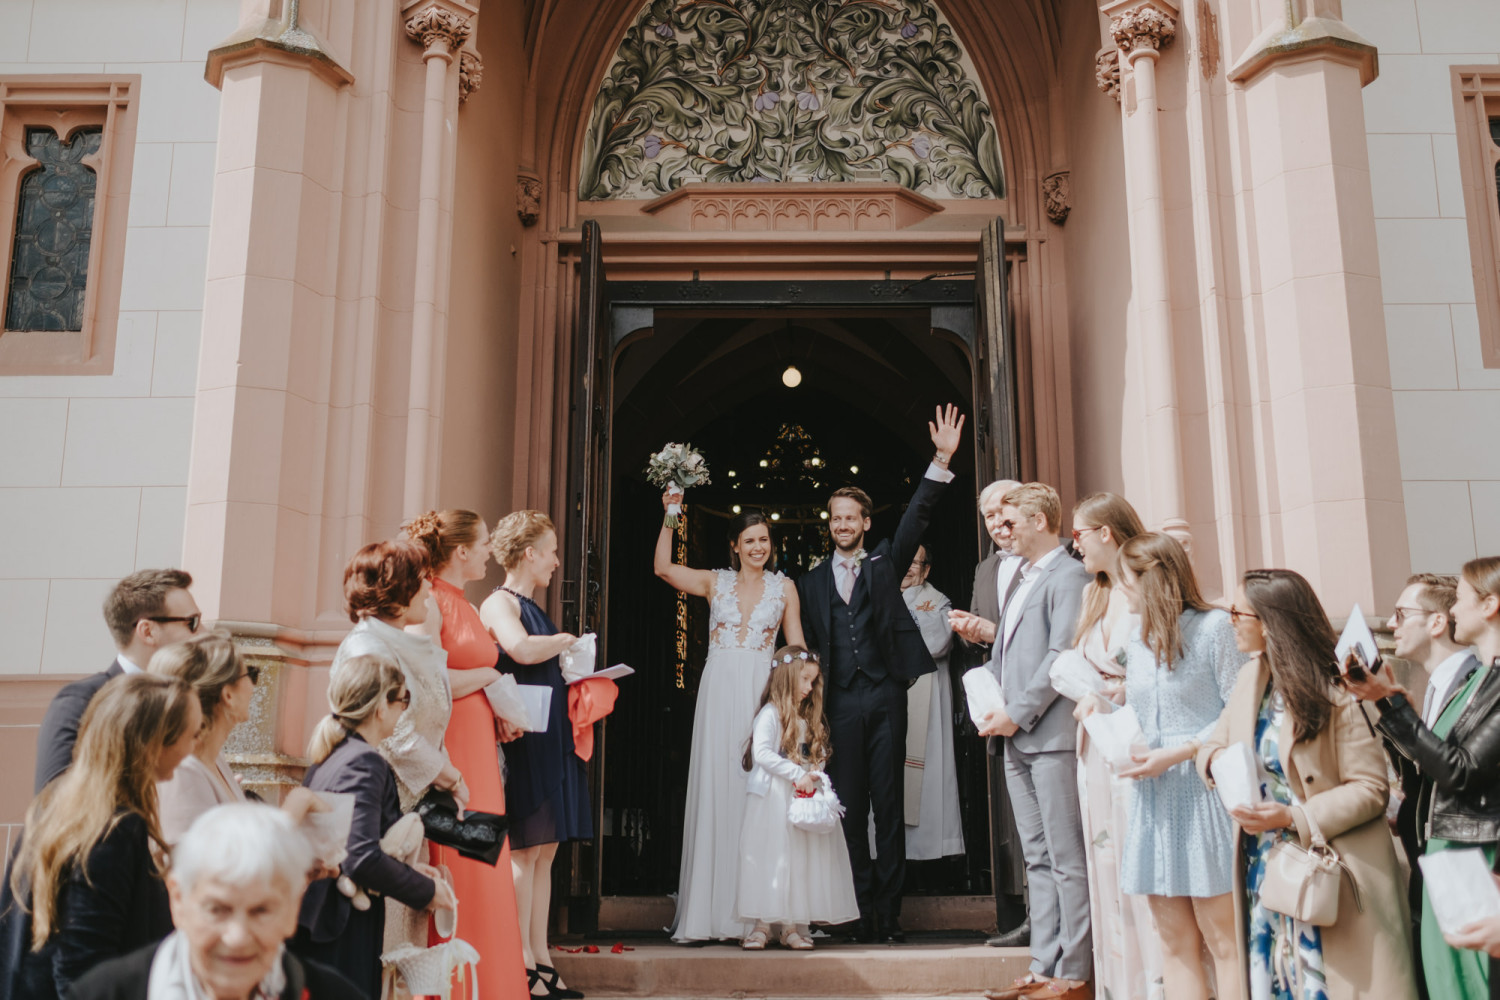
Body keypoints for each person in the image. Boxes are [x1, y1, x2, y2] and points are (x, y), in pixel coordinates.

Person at [1200, 568, 1417, 1000]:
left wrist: (1294, 815)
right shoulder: (1251, 678)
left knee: (1324, 982)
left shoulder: (1336, 687)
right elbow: (1213, 742)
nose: (1230, 621)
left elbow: (1371, 788)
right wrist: (1217, 764)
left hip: (1327, 867)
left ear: (1269, 620)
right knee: (1277, 982)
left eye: (1237, 612)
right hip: (1264, 864)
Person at [797, 403, 964, 944]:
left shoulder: (884, 563)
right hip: (839, 702)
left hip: (887, 695)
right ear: (830, 525)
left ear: (866, 523)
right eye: (836, 517)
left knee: (888, 807)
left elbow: (916, 515)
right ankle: (855, 909)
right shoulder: (813, 580)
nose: (843, 524)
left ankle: (889, 916)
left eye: (852, 517)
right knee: (848, 807)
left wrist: (941, 459)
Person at [1344, 556, 1500, 1000]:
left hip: (1471, 850)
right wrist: (1386, 703)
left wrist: (1390, 706)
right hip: (1445, 850)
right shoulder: (1482, 681)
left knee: (1469, 985)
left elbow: (1460, 770)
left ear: (1489, 605)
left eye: (1463, 601)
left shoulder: (1487, 681)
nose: (1453, 612)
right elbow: (1430, 772)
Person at [654, 505, 805, 943]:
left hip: (763, 692)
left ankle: (767, 913)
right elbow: (662, 568)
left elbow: (795, 647)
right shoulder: (713, 581)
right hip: (719, 693)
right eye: (750, 540)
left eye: (764, 540)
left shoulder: (785, 588)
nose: (758, 547)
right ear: (735, 546)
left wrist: (796, 702)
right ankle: (715, 912)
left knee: (761, 795)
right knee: (720, 788)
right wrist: (670, 513)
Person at [1, 673, 201, 1000]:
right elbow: (83, 970)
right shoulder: (114, 829)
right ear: (154, 742)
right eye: (191, 734)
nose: (194, 746)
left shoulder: (56, 803)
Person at [1107, 532, 1241, 1000]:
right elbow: (1150, 715)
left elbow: (1239, 711)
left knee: (1224, 939)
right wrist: (1135, 742)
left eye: (1124, 580)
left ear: (1151, 580)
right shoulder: (1137, 641)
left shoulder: (1214, 628)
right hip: (1154, 798)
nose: (1119, 588)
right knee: (1174, 942)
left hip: (1204, 793)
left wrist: (1180, 751)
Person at [974, 483, 1091, 1000]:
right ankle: (1043, 964)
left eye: (1012, 519)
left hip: (1049, 734)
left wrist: (1016, 714)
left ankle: (1076, 972)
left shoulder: (1068, 574)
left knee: (1067, 858)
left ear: (1040, 520)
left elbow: (1060, 656)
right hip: (1016, 736)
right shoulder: (1022, 575)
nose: (1004, 528)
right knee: (1037, 858)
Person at [406, 509, 529, 1000]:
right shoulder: (430, 603)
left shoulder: (466, 604)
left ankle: (492, 984)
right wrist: (490, 678)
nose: (487, 553)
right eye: (481, 545)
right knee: (462, 863)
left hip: (480, 747)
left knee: (485, 864)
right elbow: (426, 683)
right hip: (452, 752)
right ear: (460, 552)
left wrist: (498, 711)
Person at [1045, 493, 1160, 1000]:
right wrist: (1087, 687)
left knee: (1140, 859)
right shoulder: (1096, 592)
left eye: (1080, 535)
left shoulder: (1150, 587)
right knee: (1105, 861)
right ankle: (1118, 985)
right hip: (1098, 744)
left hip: (1140, 737)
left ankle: (1155, 982)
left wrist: (1119, 692)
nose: (1076, 545)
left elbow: (1172, 663)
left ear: (1107, 534)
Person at [69, 802, 363, 1000]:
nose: (237, 937)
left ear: (292, 910)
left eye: (261, 910)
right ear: (178, 901)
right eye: (217, 910)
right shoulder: (102, 994)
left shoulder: (336, 995)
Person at [331, 538, 463, 961]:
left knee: (407, 940)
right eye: (422, 580)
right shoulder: (367, 646)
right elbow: (395, 732)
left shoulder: (400, 639)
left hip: (410, 806)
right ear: (401, 592)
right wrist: (451, 777)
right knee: (386, 941)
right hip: (381, 807)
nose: (430, 589)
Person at [294, 653, 455, 997]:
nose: (403, 710)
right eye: (402, 700)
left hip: (323, 917)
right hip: (340, 924)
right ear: (382, 706)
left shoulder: (334, 755)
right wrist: (427, 892)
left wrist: (416, 871)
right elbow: (361, 856)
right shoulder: (364, 762)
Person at [479, 511, 589, 999]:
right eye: (551, 550)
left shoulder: (533, 605)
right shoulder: (501, 603)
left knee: (546, 853)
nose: (556, 560)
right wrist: (566, 641)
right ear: (529, 554)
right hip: (522, 735)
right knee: (524, 850)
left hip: (551, 733)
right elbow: (520, 651)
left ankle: (541, 956)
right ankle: (520, 963)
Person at [33, 568, 201, 793]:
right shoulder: (82, 700)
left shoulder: (188, 703)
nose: (202, 633)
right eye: (192, 623)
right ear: (148, 631)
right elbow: (54, 798)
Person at [735, 646, 859, 949]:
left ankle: (791, 926)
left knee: (796, 860)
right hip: (770, 798)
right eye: (804, 679)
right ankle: (762, 925)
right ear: (787, 676)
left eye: (812, 682)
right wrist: (795, 773)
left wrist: (815, 770)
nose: (807, 688)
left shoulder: (805, 717)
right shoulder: (770, 713)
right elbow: (762, 752)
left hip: (794, 799)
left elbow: (811, 754)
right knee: (770, 858)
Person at [951, 477, 1027, 945]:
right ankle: (1029, 915)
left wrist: (992, 630)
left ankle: (1052, 923)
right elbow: (985, 630)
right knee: (1019, 819)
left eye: (1004, 510)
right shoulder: (984, 569)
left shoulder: (1060, 560)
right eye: (988, 516)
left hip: (1042, 703)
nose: (996, 522)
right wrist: (970, 628)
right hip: (999, 702)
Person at [899, 544, 964, 861]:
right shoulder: (878, 593)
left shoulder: (936, 602)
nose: (910, 568)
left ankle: (928, 854)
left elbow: (936, 644)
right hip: (890, 697)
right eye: (905, 561)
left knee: (927, 778)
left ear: (926, 570)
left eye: (917, 563)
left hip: (927, 698)